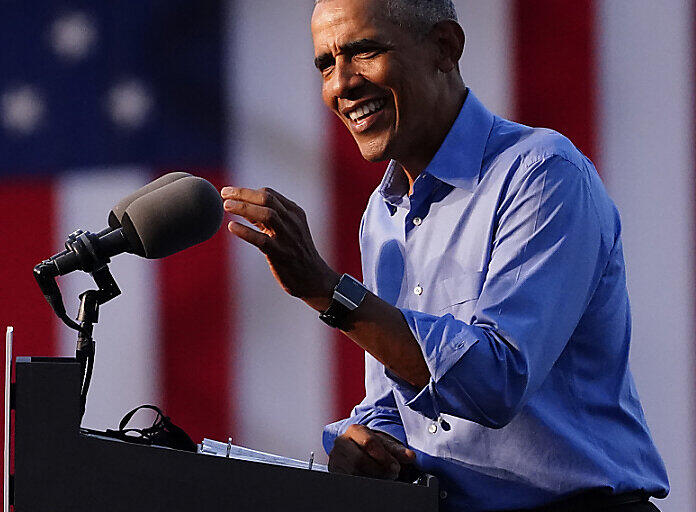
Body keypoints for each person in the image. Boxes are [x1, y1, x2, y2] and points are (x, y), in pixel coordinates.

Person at [219, 0, 669, 510]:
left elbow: (497, 380)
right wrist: (361, 440)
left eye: (364, 51)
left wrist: (328, 291)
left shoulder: (542, 174)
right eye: (326, 63)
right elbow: (398, 396)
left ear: (445, 47)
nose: (341, 84)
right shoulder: (382, 214)